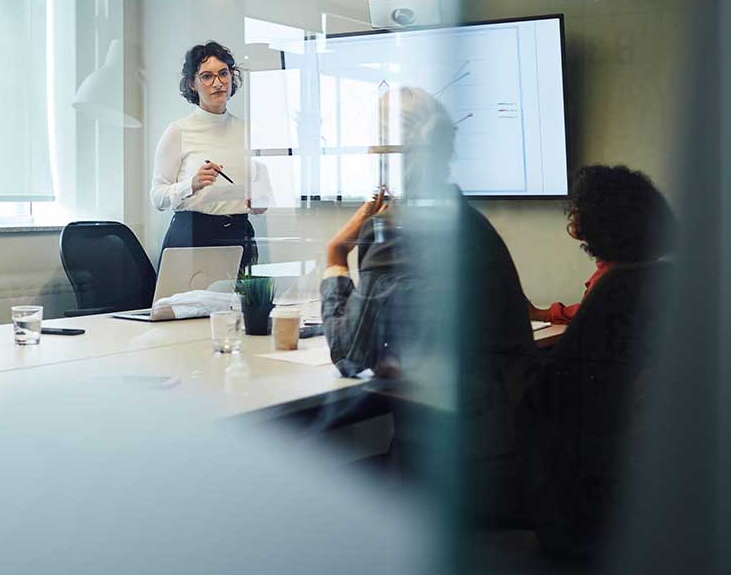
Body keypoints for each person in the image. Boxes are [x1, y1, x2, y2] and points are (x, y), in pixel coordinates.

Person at [319, 87, 536, 523]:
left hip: (451, 462)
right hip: (504, 445)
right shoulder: (465, 219)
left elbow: (348, 354)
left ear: (385, 153)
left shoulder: (399, 228)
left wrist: (335, 258)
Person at [150, 41, 269, 272]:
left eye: (223, 74)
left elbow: (262, 196)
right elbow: (157, 197)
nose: (218, 83)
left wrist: (259, 202)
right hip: (193, 237)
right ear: (192, 84)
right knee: (190, 308)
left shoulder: (248, 132)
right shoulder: (178, 131)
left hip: (239, 235)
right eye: (206, 76)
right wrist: (191, 185)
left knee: (239, 307)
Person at [527, 164, 675, 325]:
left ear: (603, 217)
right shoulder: (645, 273)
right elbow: (587, 312)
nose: (572, 212)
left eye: (580, 206)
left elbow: (588, 316)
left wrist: (537, 314)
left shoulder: (611, 283)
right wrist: (542, 314)